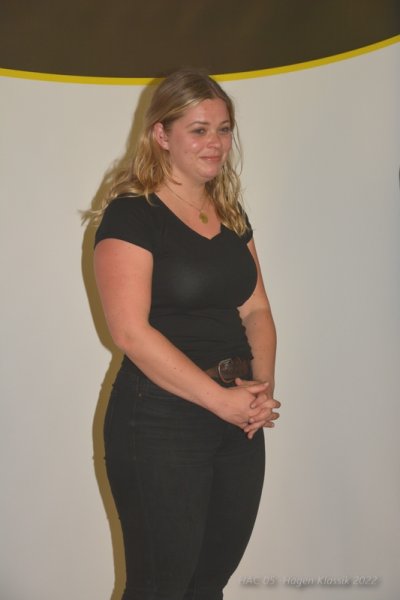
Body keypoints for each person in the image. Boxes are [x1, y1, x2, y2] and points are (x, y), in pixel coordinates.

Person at [93, 68, 280, 600]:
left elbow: (257, 308)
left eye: (223, 129)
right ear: (162, 134)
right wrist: (220, 402)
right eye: (199, 130)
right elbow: (130, 333)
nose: (215, 143)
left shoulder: (231, 214)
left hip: (237, 418)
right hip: (160, 419)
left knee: (207, 586)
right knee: (160, 588)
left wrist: (259, 390)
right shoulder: (132, 215)